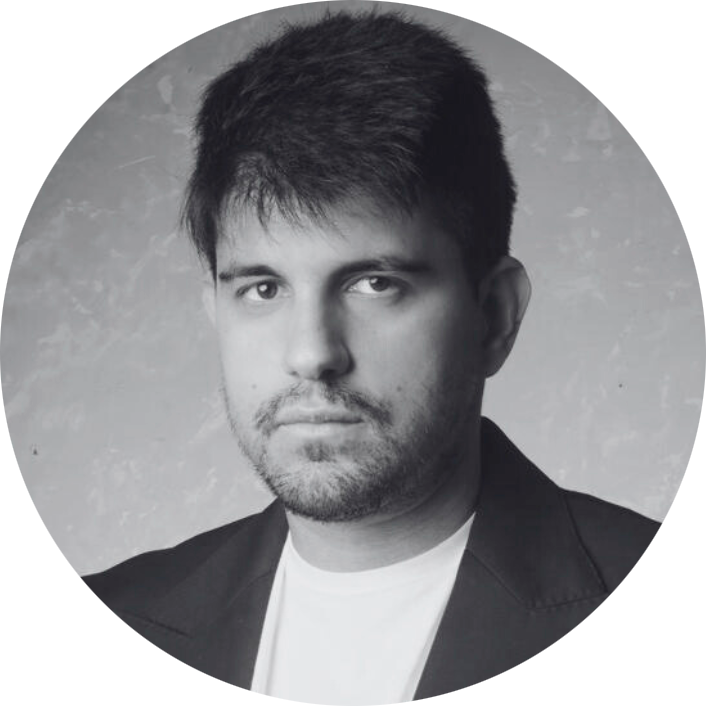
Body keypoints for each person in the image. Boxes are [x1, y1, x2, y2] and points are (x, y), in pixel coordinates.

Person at [77, 9, 670, 705]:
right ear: (215, 310)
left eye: (375, 284)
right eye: (263, 289)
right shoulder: (96, 627)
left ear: (495, 315)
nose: (312, 354)